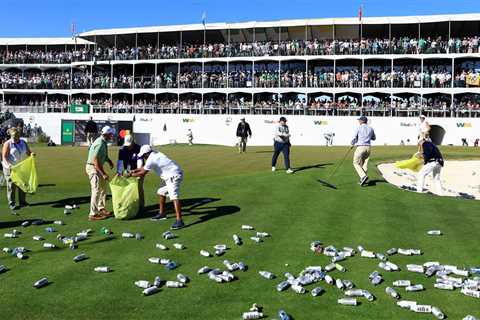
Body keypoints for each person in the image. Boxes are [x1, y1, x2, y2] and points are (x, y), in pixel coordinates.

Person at [129, 145, 185, 230]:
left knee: (174, 197)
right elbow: (144, 168)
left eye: (144, 155)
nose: (144, 157)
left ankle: (179, 220)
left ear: (147, 153)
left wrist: (129, 175)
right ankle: (162, 213)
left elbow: (143, 173)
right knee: (161, 192)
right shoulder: (156, 153)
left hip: (173, 176)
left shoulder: (151, 159)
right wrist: (134, 171)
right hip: (172, 174)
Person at [85, 126, 115, 221]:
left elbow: (103, 155)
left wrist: (109, 161)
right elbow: (95, 160)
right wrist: (103, 174)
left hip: (96, 167)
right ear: (107, 134)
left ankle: (101, 208)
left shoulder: (103, 142)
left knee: (103, 188)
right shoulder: (99, 143)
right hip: (93, 168)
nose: (112, 136)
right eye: (111, 134)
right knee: (96, 190)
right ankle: (92, 214)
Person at [1, 128, 33, 210]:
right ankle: (12, 203)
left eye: (17, 136)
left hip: (21, 167)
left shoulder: (23, 142)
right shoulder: (7, 144)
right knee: (12, 185)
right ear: (11, 136)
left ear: (19, 135)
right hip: (10, 168)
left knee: (22, 184)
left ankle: (23, 202)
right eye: (14, 136)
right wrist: (8, 165)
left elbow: (28, 152)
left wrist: (32, 154)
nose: (15, 138)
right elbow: (4, 157)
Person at [117, 134, 144, 209]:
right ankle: (130, 205)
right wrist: (119, 172)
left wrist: (137, 174)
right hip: (127, 171)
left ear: (133, 142)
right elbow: (120, 161)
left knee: (139, 188)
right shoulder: (122, 149)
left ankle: (141, 206)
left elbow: (140, 161)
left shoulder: (138, 148)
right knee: (127, 189)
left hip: (138, 170)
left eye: (129, 144)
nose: (128, 146)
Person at [351, 116, 376, 186]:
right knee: (364, 164)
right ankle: (363, 179)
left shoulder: (359, 127)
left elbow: (354, 138)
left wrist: (352, 143)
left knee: (355, 163)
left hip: (361, 147)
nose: (358, 121)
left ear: (362, 121)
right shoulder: (371, 128)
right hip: (368, 148)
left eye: (359, 120)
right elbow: (374, 138)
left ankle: (363, 176)